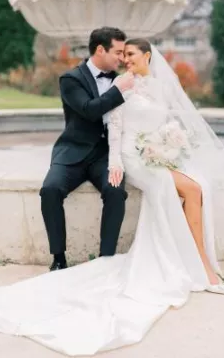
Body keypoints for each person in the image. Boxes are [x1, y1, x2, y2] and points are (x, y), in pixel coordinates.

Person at [0, 39, 224, 356]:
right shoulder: (121, 83)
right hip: (134, 158)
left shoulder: (160, 87)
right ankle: (204, 267)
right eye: (122, 54)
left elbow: (166, 125)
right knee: (192, 188)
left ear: (147, 56)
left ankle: (196, 260)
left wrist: (171, 146)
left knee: (198, 184)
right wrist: (116, 163)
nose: (125, 59)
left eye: (131, 54)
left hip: (155, 154)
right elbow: (115, 127)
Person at [40, 27, 134, 271]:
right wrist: (118, 90)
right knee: (50, 190)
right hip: (73, 150)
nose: (122, 59)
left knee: (115, 191)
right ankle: (59, 259)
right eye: (118, 52)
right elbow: (90, 110)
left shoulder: (122, 78)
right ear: (100, 50)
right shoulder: (71, 79)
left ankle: (106, 260)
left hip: (105, 155)